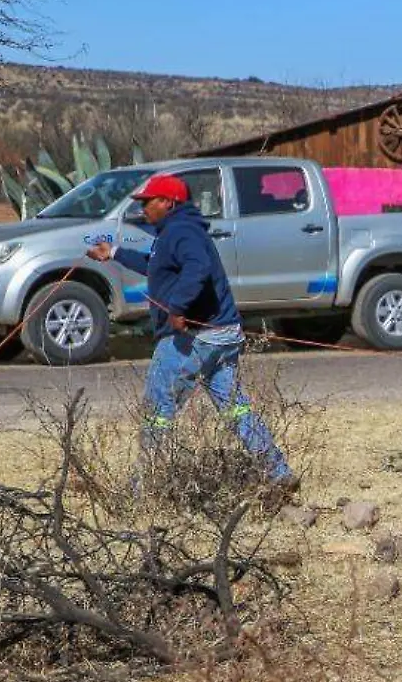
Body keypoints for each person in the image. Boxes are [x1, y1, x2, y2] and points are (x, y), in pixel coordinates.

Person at [86, 173, 295, 487]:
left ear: (168, 202)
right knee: (235, 409)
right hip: (223, 337)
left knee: (158, 407)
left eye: (148, 202)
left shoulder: (181, 232)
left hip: (195, 338)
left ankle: (140, 487)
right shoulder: (178, 232)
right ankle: (278, 472)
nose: (143, 209)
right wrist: (113, 253)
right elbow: (156, 264)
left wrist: (179, 308)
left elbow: (198, 268)